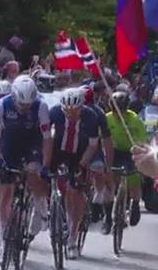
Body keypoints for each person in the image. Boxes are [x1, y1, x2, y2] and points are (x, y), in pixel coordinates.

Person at [0, 75, 52, 265]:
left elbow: (47, 139)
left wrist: (45, 165)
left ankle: (40, 206)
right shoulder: (2, 105)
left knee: (34, 172)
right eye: (21, 104)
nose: (24, 107)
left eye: (28, 104)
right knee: (5, 192)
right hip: (10, 144)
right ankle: (3, 242)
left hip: (32, 143)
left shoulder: (41, 106)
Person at [48, 87, 105, 259]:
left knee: (75, 191)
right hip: (58, 150)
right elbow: (46, 138)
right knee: (44, 178)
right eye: (67, 110)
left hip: (79, 153)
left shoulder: (91, 116)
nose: (70, 114)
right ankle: (47, 211)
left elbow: (93, 145)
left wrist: (82, 165)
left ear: (82, 107)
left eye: (74, 110)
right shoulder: (55, 112)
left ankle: (72, 236)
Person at [104, 91, 149, 229]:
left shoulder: (134, 119)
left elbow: (143, 139)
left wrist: (139, 148)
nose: (119, 114)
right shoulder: (106, 118)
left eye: (122, 111)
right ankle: (107, 217)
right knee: (110, 181)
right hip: (114, 151)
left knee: (133, 179)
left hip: (130, 151)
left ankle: (135, 204)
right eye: (116, 111)